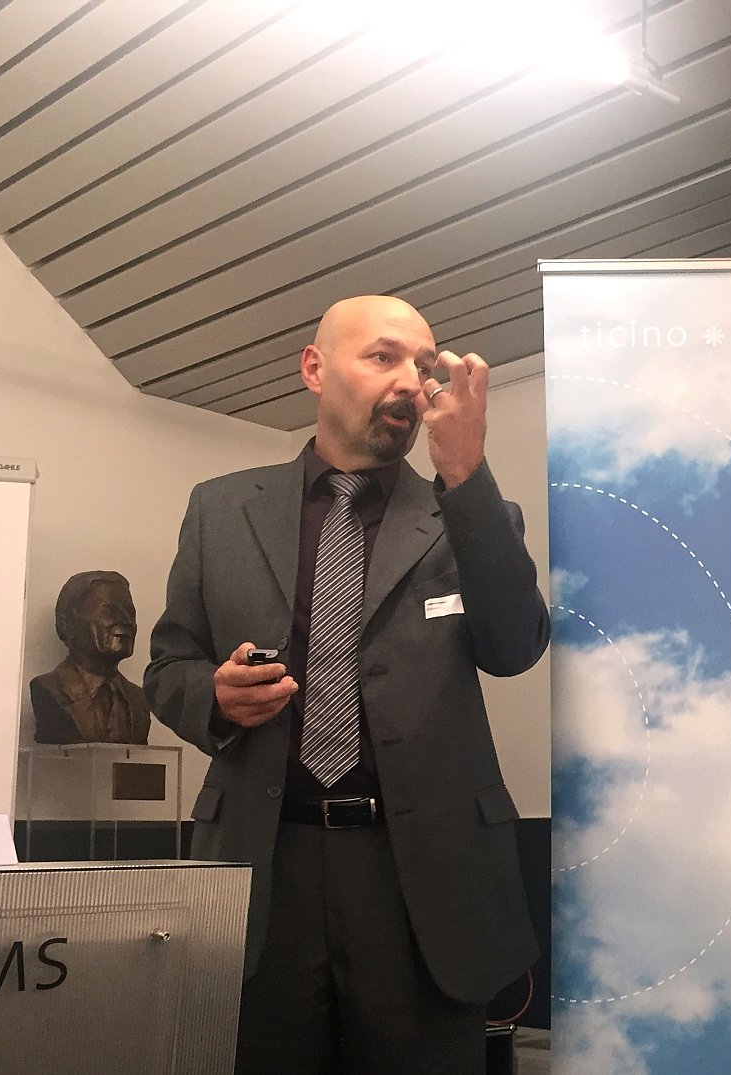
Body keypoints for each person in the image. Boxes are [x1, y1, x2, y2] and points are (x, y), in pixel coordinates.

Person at [144, 295, 549, 1073]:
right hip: (264, 868)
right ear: (314, 368)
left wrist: (465, 474)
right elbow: (169, 667)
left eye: (422, 367)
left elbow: (513, 647)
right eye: (383, 357)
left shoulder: (470, 513)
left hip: (423, 880)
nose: (409, 381)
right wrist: (214, 697)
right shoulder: (220, 509)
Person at [30, 570, 153, 745]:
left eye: (130, 613)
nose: (126, 621)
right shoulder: (48, 689)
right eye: (109, 612)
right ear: (68, 625)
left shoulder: (139, 699)